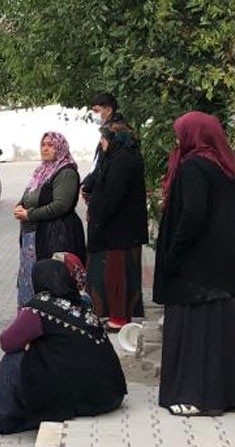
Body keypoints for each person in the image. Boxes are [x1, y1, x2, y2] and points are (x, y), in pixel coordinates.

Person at [0, 259, 127, 435]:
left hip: (86, 398)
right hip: (110, 394)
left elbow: (7, 342)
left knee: (16, 357)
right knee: (33, 353)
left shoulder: (40, 307)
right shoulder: (82, 302)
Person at [154, 111, 235, 417]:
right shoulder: (226, 167)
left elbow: (193, 215)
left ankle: (194, 396)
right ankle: (229, 395)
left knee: (196, 333)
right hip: (225, 266)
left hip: (197, 270)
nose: (176, 139)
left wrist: (173, 253)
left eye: (179, 133)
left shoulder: (194, 166)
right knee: (221, 331)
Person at [85, 122, 148, 330]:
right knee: (119, 274)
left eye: (103, 140)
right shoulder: (125, 158)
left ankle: (119, 318)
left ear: (111, 141)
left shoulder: (121, 163)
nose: (101, 145)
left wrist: (96, 212)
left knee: (116, 275)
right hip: (123, 230)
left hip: (118, 232)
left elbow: (112, 197)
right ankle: (119, 316)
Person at [14, 131, 86, 306]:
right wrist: (20, 205)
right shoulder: (43, 170)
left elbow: (61, 205)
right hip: (34, 235)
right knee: (31, 279)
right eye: (43, 144)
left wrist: (30, 214)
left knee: (51, 280)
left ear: (60, 147)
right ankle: (31, 317)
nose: (45, 148)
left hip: (56, 235)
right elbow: (30, 195)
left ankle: (48, 318)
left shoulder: (66, 172)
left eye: (50, 145)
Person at [80, 92, 125, 199]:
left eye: (97, 111)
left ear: (109, 110)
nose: (94, 115)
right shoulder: (109, 129)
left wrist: (88, 185)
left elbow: (103, 164)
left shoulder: (115, 133)